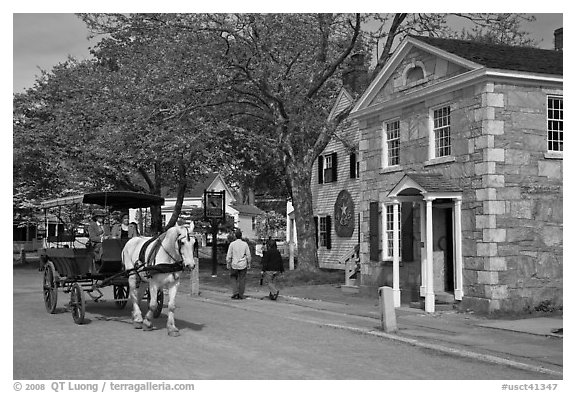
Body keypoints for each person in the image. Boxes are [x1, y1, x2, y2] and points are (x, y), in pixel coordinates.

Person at [226, 229, 252, 300]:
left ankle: (235, 292)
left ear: (235, 236)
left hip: (234, 264)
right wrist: (249, 262)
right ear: (241, 236)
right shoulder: (245, 244)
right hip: (243, 264)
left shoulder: (232, 244)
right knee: (242, 279)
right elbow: (248, 255)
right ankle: (241, 294)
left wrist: (228, 262)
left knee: (233, 278)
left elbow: (229, 255)